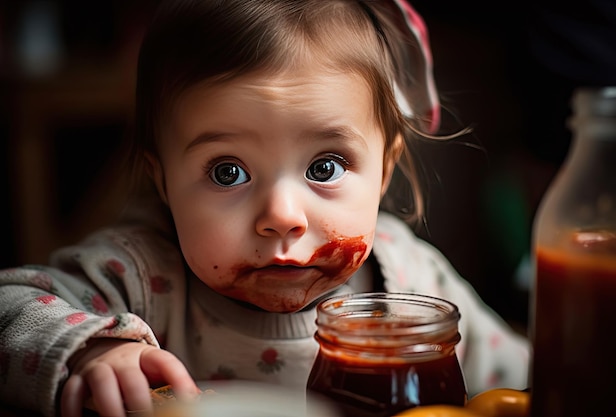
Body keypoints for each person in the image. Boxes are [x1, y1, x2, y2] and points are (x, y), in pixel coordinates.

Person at [0, 1, 529, 416]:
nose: (282, 216)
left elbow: (527, 380)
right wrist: (88, 350)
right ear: (163, 183)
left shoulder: (412, 282)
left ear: (384, 170)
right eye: (227, 172)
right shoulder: (138, 278)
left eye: (324, 167)